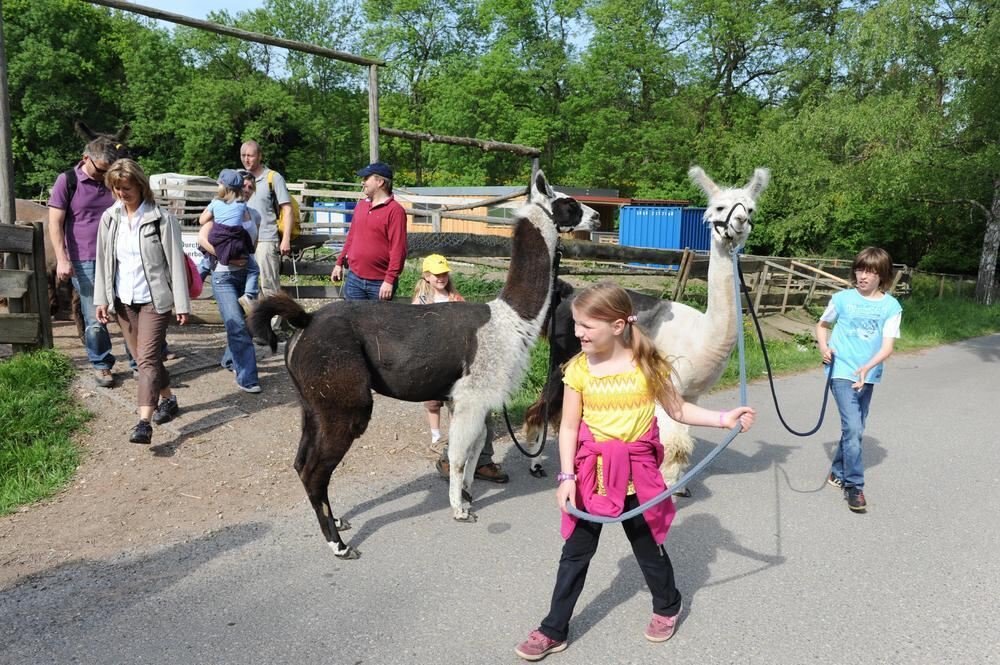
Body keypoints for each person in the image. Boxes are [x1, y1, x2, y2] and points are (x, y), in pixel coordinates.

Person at [515, 282, 755, 661]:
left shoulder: (647, 365)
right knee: (575, 553)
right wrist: (566, 477)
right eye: (576, 324)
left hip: (637, 476)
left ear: (617, 326)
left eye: (586, 326)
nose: (577, 333)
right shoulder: (578, 369)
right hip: (591, 474)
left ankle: (667, 605)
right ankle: (553, 628)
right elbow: (569, 428)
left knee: (647, 548)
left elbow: (678, 410)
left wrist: (724, 418)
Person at [93, 159, 190, 445]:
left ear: (140, 185)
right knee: (143, 358)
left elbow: (175, 262)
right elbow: (103, 262)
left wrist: (182, 303)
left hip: (154, 300)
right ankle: (169, 399)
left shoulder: (161, 219)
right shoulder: (110, 219)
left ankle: (143, 422)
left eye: (127, 187)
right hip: (123, 301)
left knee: (146, 360)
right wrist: (101, 299)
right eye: (117, 188)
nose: (123, 193)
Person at [815, 247, 902, 513]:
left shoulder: (891, 306)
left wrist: (867, 368)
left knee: (856, 428)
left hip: (869, 375)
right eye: (860, 269)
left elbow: (887, 347)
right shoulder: (841, 299)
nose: (863, 276)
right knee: (853, 428)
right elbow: (822, 325)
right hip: (840, 371)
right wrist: (823, 347)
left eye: (871, 272)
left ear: (882, 276)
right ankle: (854, 486)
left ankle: (837, 471)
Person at [412, 254, 508, 484]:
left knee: (482, 412)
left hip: (464, 363)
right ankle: (449, 460)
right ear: (426, 276)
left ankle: (483, 461)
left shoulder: (457, 299)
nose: (442, 277)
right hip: (440, 366)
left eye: (444, 273)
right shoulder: (421, 303)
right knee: (462, 416)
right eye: (437, 274)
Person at [48, 134, 125, 387]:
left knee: (129, 310)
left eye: (108, 171)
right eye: (101, 170)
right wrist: (62, 259)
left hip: (119, 255)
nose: (104, 176)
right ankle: (101, 364)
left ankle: (140, 361)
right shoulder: (67, 181)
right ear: (85, 159)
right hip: (84, 259)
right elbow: (55, 223)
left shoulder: (113, 180)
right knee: (95, 316)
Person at [198, 172, 262, 394]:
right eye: (243, 185)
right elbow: (201, 240)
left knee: (247, 325)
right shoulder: (221, 209)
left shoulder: (253, 214)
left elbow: (253, 243)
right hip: (224, 275)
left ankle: (229, 360)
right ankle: (248, 378)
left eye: (250, 187)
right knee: (236, 324)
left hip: (247, 276)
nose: (247, 189)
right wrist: (227, 257)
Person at [330, 162, 407, 301]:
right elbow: (351, 237)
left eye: (366, 178)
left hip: (380, 282)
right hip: (354, 278)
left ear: (380, 182)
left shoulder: (395, 211)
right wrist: (339, 262)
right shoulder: (361, 206)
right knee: (353, 321)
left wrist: (389, 280)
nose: (363, 182)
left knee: (379, 322)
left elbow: (398, 248)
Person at [240, 140, 291, 311]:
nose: (247, 159)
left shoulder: (273, 178)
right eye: (243, 155)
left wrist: (286, 239)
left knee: (269, 286)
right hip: (243, 242)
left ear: (260, 156)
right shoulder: (240, 178)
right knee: (247, 287)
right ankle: (257, 326)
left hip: (266, 239)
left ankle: (277, 327)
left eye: (250, 155)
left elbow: (287, 208)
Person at [198, 169, 254, 270]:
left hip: (218, 243)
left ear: (223, 187)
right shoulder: (242, 205)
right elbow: (247, 225)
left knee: (206, 259)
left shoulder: (216, 203)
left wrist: (211, 204)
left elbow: (201, 220)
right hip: (237, 247)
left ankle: (195, 283)